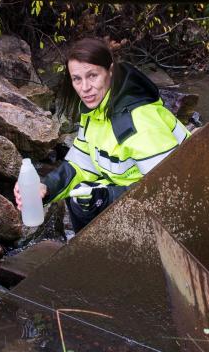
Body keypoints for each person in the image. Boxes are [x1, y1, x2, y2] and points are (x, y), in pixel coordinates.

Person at [15, 37, 190, 232]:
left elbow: (169, 186)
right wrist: (45, 187)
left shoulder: (138, 119)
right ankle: (92, 255)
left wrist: (107, 197)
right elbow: (80, 165)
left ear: (110, 71)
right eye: (77, 79)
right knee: (81, 199)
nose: (85, 88)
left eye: (92, 76)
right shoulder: (95, 112)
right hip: (139, 190)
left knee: (89, 200)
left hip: (186, 198)